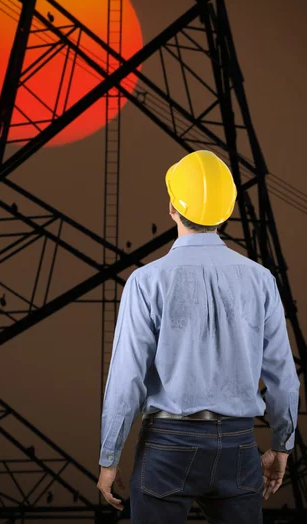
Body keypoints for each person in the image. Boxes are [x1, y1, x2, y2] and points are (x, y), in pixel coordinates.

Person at [97, 150, 300, 523]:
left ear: (173, 207)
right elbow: (283, 378)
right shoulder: (260, 280)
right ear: (226, 213)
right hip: (239, 446)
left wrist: (109, 459)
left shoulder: (147, 282)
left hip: (167, 445)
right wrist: (282, 445)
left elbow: (127, 380)